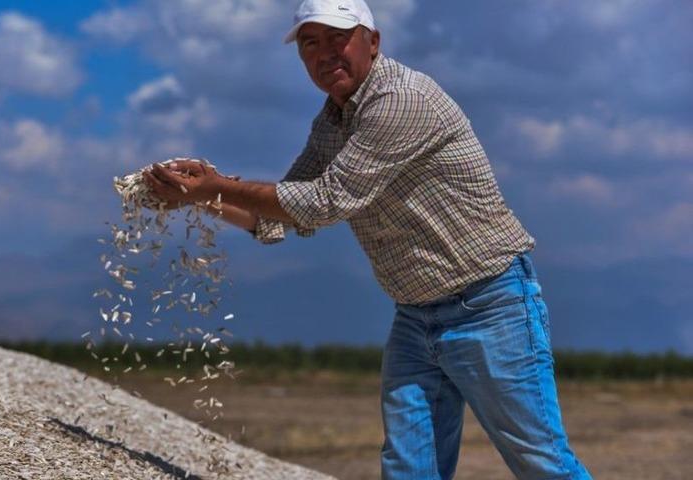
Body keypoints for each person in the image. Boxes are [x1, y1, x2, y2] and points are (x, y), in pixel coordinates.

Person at [143, 0, 593, 478]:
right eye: (310, 43)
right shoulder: (332, 122)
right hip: (415, 315)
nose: (325, 53)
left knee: (540, 462)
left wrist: (215, 185)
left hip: (488, 304)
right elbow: (282, 217)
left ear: (373, 42)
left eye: (339, 37)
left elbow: (323, 202)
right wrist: (195, 197)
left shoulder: (399, 99)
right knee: (407, 466)